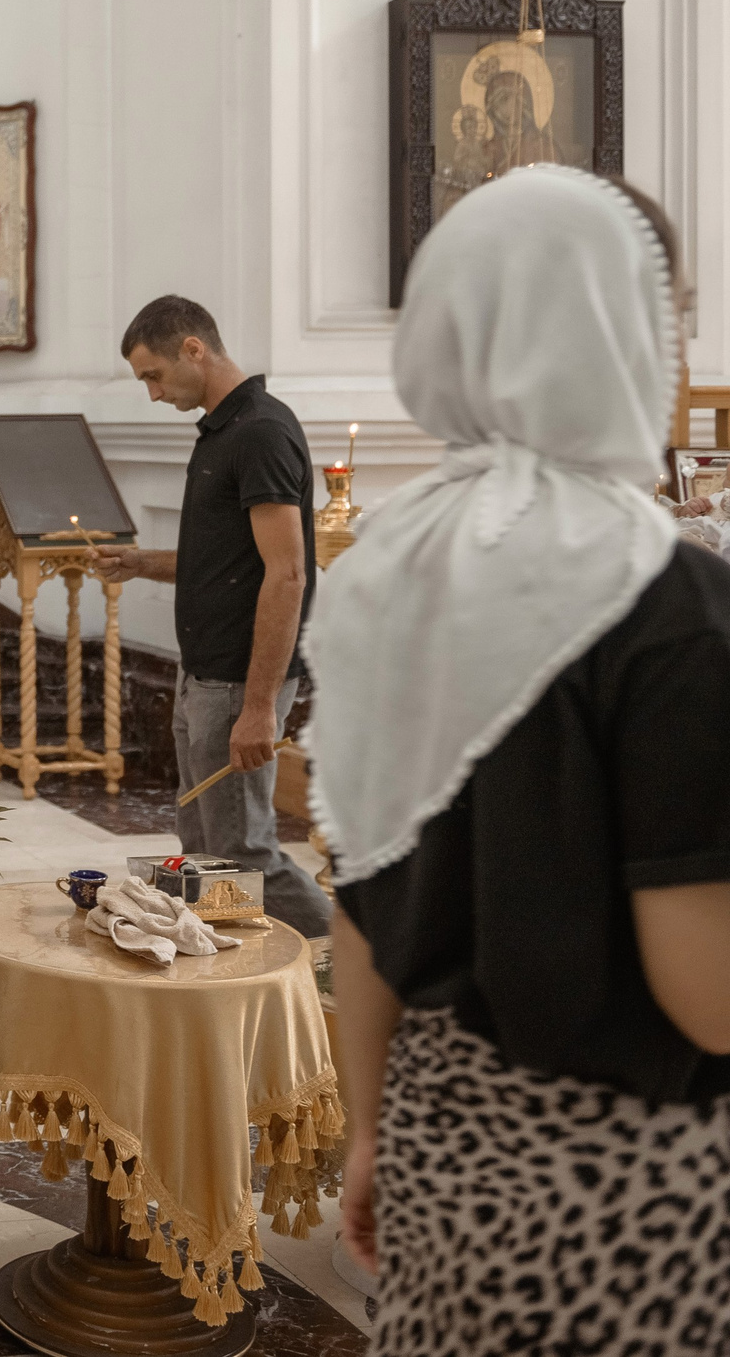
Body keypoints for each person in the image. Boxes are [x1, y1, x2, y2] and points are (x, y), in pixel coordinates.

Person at [312, 167, 730, 1352]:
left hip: (444, 1143)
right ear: (615, 324)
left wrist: (368, 1129)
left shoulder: (383, 576)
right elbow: (707, 993)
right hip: (635, 1190)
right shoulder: (678, 610)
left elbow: (360, 893)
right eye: (674, 307)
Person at [91, 295, 328, 936]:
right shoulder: (224, 430)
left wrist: (258, 705)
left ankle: (366, 961)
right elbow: (223, 561)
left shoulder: (260, 431)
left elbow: (288, 573)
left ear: (193, 348)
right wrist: (140, 563)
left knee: (244, 857)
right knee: (203, 850)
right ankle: (228, 983)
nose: (152, 393)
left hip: (236, 680)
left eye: (154, 375)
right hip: (206, 675)